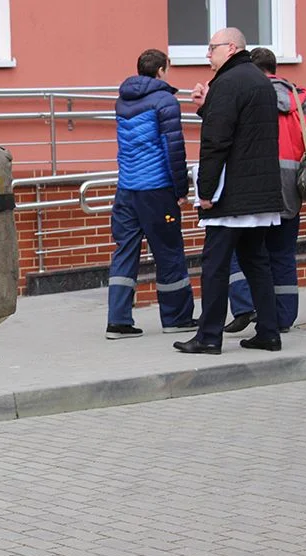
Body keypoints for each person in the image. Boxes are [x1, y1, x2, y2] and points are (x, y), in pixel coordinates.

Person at [174, 27, 283, 355]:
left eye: (212, 48)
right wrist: (207, 105)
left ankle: (208, 336)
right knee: (257, 262)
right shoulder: (260, 81)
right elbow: (243, 128)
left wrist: (205, 191)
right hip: (260, 192)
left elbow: (216, 141)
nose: (208, 54)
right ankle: (269, 333)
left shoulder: (227, 82)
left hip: (231, 195)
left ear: (231, 47)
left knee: (215, 266)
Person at [222, 46, 306, 335]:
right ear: (274, 68)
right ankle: (283, 317)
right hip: (291, 188)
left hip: (254, 185)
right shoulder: (302, 100)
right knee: (282, 253)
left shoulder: (248, 95)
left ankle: (245, 306)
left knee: (240, 248)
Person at [106, 48, 196, 339]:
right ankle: (176, 318)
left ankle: (118, 321)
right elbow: (174, 149)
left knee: (125, 252)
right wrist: (181, 189)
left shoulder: (122, 101)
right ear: (161, 70)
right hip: (157, 190)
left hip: (126, 189)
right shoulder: (165, 101)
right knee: (169, 253)